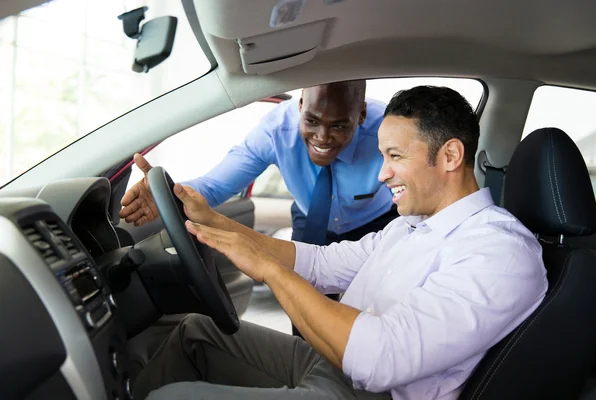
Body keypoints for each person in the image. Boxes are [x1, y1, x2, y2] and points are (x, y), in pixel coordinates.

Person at [132, 86, 549, 400]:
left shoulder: (500, 252)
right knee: (196, 332)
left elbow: (380, 361)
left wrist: (269, 269)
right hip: (333, 366)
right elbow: (320, 263)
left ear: (451, 156)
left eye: (395, 157)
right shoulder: (414, 226)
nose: (382, 174)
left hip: (370, 393)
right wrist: (213, 221)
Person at [120, 80, 397, 246]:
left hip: (376, 222)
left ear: (360, 115)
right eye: (311, 120)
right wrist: (168, 193)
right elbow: (216, 186)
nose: (322, 137)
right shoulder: (275, 131)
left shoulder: (389, 133)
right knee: (303, 311)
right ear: (300, 105)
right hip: (311, 217)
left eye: (338, 125)